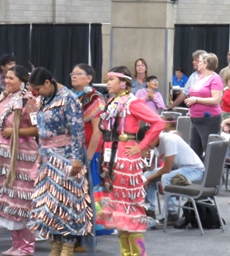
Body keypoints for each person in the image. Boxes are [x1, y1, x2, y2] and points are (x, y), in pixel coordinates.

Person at [98, 66, 163, 256]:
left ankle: (139, 254)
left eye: (111, 79)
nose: (108, 83)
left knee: (130, 208)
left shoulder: (133, 103)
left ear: (123, 83)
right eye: (107, 79)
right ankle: (126, 253)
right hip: (111, 156)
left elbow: (158, 122)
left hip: (126, 157)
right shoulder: (112, 101)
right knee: (118, 209)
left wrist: (141, 146)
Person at [27, 67, 91, 256]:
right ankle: (54, 247)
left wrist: (77, 160)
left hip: (66, 157)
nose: (35, 93)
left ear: (48, 83)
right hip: (47, 159)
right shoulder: (43, 99)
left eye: (38, 89)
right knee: (49, 204)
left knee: (67, 203)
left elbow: (77, 131)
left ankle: (68, 247)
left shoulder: (68, 98)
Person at [0, 65, 38, 256]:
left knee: (22, 200)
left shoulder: (29, 100)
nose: (7, 81)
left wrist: (15, 131)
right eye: (6, 78)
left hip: (23, 155)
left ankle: (27, 246)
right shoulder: (4, 97)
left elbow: (38, 129)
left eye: (11, 78)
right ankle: (16, 243)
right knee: (9, 199)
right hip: (5, 156)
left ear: (22, 80)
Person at [69, 63, 106, 252]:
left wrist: (89, 157)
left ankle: (87, 238)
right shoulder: (72, 96)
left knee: (88, 196)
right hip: (74, 151)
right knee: (75, 195)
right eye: (72, 73)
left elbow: (98, 131)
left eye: (78, 74)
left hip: (88, 151)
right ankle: (76, 235)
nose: (73, 76)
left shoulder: (94, 98)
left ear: (89, 78)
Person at [138, 125, 205, 224]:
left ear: (154, 135)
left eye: (147, 142)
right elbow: (151, 168)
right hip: (179, 169)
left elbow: (167, 169)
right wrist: (143, 158)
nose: (146, 145)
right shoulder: (155, 145)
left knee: (166, 177)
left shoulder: (169, 140)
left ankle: (171, 213)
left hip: (194, 170)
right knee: (148, 174)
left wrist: (148, 180)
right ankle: (150, 210)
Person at [184, 52, 223, 159]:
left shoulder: (215, 78)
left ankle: (210, 174)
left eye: (199, 61)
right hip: (195, 118)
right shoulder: (200, 77)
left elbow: (216, 99)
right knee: (194, 150)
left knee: (209, 150)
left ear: (206, 64)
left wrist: (196, 99)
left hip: (208, 119)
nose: (197, 63)